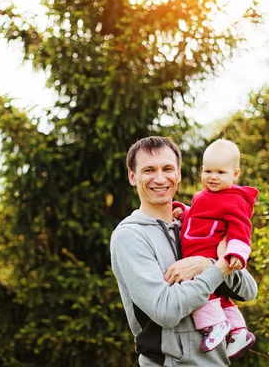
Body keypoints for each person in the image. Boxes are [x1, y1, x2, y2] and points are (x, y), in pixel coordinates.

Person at [110, 136, 258, 366]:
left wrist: (207, 264)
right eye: (149, 170)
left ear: (178, 174)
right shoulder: (130, 236)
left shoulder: (196, 223)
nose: (160, 178)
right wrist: (219, 267)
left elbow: (249, 291)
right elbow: (166, 311)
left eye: (167, 169)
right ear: (132, 176)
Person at [172, 139, 258, 359]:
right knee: (220, 296)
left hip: (210, 253)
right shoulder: (202, 196)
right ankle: (238, 330)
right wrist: (184, 211)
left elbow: (241, 228)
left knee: (202, 290)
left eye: (221, 172)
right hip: (197, 250)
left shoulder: (235, 200)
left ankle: (213, 325)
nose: (213, 176)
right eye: (208, 170)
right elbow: (199, 216)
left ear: (235, 174)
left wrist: (237, 252)